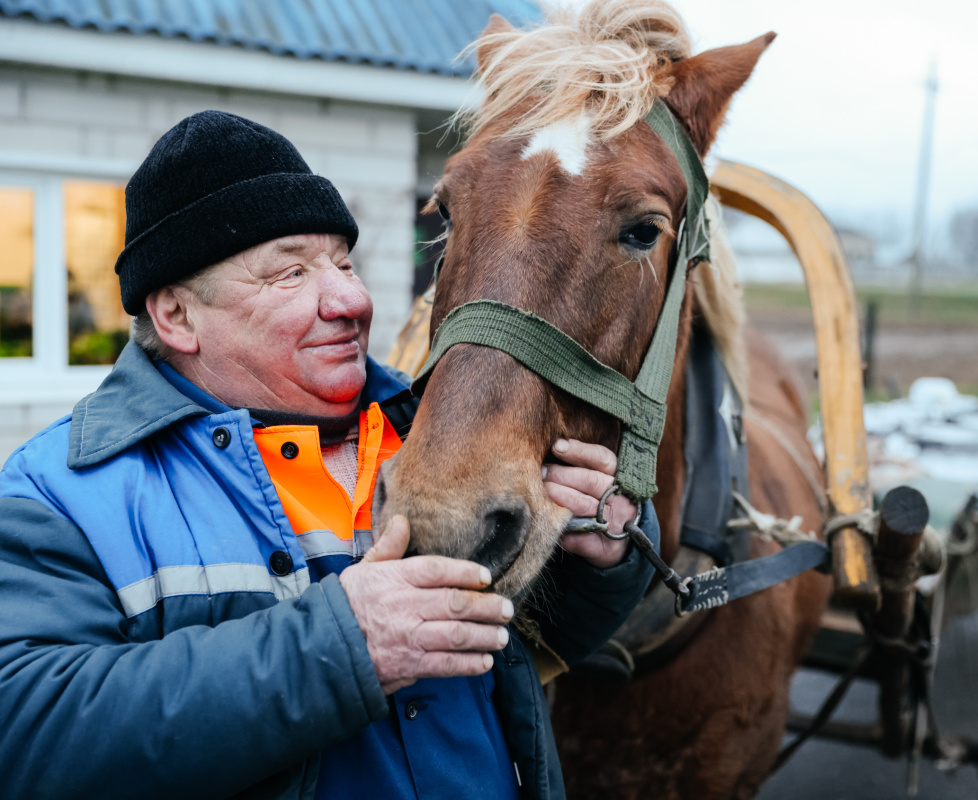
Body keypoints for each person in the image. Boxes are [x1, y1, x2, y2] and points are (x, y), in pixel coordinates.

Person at [0, 111, 659, 800]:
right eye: (289, 274)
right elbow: (23, 731)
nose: (352, 299)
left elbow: (519, 650)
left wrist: (597, 555)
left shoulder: (433, 438)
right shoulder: (61, 493)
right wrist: (340, 648)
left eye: (343, 263)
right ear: (176, 317)